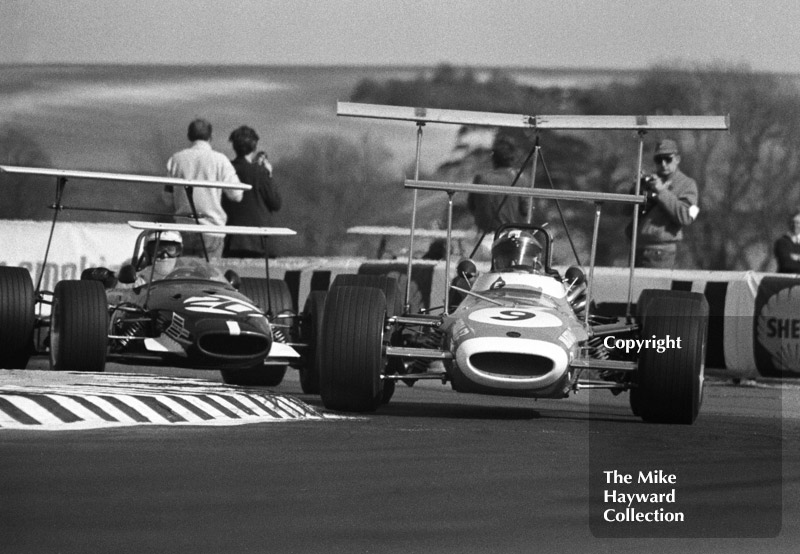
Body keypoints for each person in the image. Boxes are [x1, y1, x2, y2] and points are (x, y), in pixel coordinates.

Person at [162, 118, 242, 259]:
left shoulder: (176, 159)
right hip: (212, 230)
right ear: (210, 137)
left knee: (184, 277)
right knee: (209, 278)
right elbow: (237, 195)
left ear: (189, 136)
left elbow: (167, 200)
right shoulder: (220, 160)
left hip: (183, 229)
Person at [630, 139, 700, 268]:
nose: (663, 164)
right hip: (638, 248)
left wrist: (661, 192)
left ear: (677, 159)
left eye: (668, 159)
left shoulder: (688, 184)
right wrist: (636, 189)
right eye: (658, 160)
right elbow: (628, 212)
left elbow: (687, 216)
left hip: (661, 252)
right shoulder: (650, 181)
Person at [222, 125, 282, 258]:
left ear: (234, 146)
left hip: (231, 240)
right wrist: (269, 175)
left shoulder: (227, 170)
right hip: (259, 241)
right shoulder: (260, 172)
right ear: (254, 147)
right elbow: (275, 203)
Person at [467, 134, 531, 257]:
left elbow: (471, 206)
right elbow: (525, 210)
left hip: (485, 240)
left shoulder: (481, 179)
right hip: (513, 240)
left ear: (493, 158)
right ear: (513, 158)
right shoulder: (521, 179)